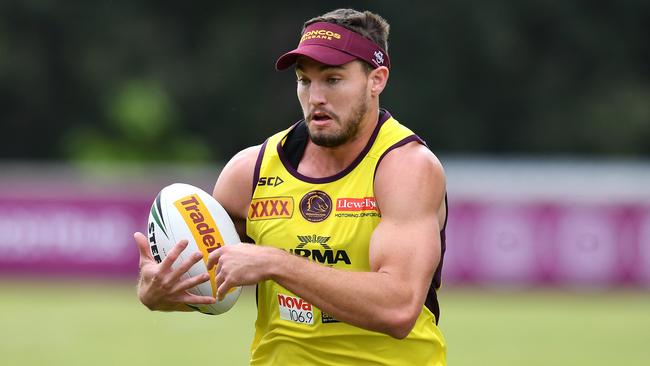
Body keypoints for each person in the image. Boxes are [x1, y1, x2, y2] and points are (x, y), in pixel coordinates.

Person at [134, 8, 448, 365]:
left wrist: (277, 263)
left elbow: (398, 307)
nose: (315, 97)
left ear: (376, 80)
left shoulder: (405, 168)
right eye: (304, 81)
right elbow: (209, 281)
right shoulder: (250, 171)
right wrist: (158, 290)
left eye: (332, 79)